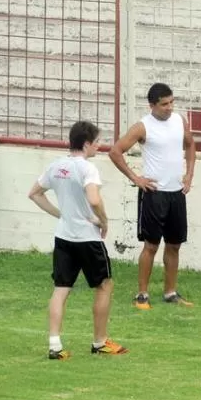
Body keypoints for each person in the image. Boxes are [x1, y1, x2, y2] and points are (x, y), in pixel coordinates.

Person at [28, 121, 128, 359]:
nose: (99, 146)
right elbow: (94, 200)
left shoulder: (55, 166)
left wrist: (60, 214)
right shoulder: (87, 169)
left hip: (64, 237)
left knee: (61, 289)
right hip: (87, 238)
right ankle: (100, 341)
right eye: (96, 142)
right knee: (104, 285)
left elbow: (34, 194)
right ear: (86, 144)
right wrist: (103, 221)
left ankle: (54, 345)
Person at [110, 82, 196, 309]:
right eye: (164, 104)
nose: (169, 108)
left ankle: (170, 292)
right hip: (154, 194)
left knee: (174, 245)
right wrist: (135, 178)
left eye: (171, 102)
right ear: (152, 105)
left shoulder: (180, 121)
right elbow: (115, 151)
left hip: (176, 194)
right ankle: (142, 294)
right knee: (151, 245)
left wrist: (189, 174)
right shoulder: (142, 127)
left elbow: (190, 145)